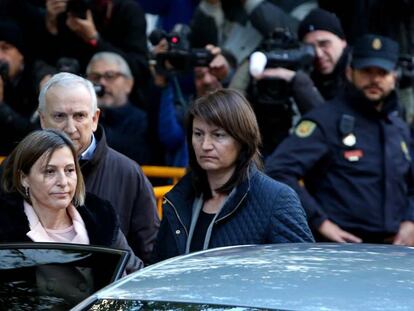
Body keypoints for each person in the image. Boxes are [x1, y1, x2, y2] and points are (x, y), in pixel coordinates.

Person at [265, 34, 414, 245]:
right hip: (341, 251)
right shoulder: (326, 120)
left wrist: (411, 221)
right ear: (349, 72)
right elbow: (278, 171)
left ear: (394, 77)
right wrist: (320, 222)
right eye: (366, 71)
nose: (374, 79)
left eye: (382, 72)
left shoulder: (399, 128)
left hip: (395, 251)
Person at [152, 89, 314, 262]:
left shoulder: (276, 199)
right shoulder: (179, 197)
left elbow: (303, 273)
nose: (205, 145)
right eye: (198, 134)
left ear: (242, 139)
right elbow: (158, 267)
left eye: (218, 135)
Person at [38, 72, 159, 264]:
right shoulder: (18, 171)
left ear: (94, 119)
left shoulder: (127, 173)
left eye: (79, 116)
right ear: (43, 120)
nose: (70, 128)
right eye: (60, 116)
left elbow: (151, 254)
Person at [0, 129, 142, 274]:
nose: (63, 182)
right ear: (24, 178)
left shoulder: (102, 218)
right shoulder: (5, 228)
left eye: (69, 170)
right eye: (50, 171)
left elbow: (135, 277)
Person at [86, 52, 151, 164]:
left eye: (110, 76)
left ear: (129, 83)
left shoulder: (143, 121)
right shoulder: (82, 119)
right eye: (95, 77)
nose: (102, 83)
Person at [0, 18, 39, 155]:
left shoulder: (37, 80)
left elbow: (37, 134)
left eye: (6, 48)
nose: (0, 56)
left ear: (21, 54)